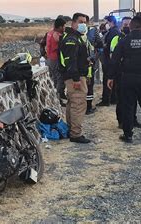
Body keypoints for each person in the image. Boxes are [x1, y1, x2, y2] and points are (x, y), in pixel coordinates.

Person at [58, 12, 91, 144]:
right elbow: (70, 61)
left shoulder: (75, 37)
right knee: (78, 104)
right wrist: (76, 79)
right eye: (81, 22)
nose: (83, 25)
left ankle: (71, 129)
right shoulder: (72, 39)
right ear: (73, 23)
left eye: (85, 22)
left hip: (74, 76)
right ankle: (76, 134)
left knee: (72, 104)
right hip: (74, 78)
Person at [114, 17, 141, 129]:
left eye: (128, 24)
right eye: (125, 24)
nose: (127, 26)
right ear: (121, 26)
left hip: (132, 74)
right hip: (120, 74)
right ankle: (121, 121)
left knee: (133, 99)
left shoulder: (136, 39)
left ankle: (133, 119)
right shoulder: (118, 38)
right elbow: (114, 56)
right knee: (122, 100)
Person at [97, 15, 121, 107]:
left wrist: (102, 46)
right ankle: (113, 98)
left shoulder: (112, 32)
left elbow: (109, 46)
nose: (105, 24)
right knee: (113, 80)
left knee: (107, 80)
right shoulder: (116, 31)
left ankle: (106, 100)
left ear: (111, 22)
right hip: (112, 60)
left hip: (108, 60)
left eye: (107, 22)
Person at [84, 15, 104, 115]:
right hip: (89, 64)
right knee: (89, 85)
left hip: (84, 64)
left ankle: (85, 107)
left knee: (85, 86)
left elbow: (100, 45)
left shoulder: (74, 34)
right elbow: (100, 44)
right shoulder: (93, 31)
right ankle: (88, 107)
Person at [46, 17, 67, 104]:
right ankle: (58, 99)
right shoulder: (56, 35)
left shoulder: (50, 33)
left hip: (50, 58)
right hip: (55, 58)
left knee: (54, 78)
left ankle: (56, 96)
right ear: (60, 27)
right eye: (64, 26)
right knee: (60, 78)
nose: (65, 28)